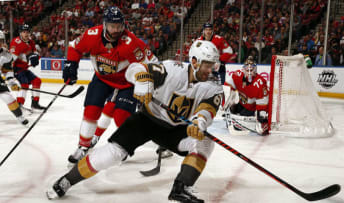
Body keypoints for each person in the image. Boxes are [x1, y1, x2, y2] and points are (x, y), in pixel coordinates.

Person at [46, 40, 222, 203]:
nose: (210, 70)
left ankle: (181, 187)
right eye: (207, 65)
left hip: (176, 130)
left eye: (212, 65)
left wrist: (200, 122)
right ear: (194, 61)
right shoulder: (172, 69)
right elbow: (135, 69)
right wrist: (143, 80)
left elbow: (208, 108)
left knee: (205, 142)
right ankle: (67, 180)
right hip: (146, 120)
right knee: (113, 154)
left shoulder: (213, 85)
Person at [63, 6, 158, 165]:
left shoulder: (131, 42)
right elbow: (74, 47)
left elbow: (152, 63)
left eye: (119, 26)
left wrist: (149, 83)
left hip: (127, 84)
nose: (115, 30)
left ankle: (126, 145)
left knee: (122, 117)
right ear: (105, 24)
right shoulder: (92, 35)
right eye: (112, 26)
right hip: (102, 79)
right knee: (91, 111)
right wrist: (70, 65)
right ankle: (83, 147)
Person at [224, 56, 269, 135]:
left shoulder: (260, 83)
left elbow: (262, 107)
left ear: (255, 70)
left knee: (237, 126)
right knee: (231, 107)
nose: (249, 72)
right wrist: (227, 102)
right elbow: (227, 87)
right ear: (243, 70)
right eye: (247, 70)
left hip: (251, 110)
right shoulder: (237, 75)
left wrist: (261, 119)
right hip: (241, 104)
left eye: (251, 70)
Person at [9, 23, 45, 111]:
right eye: (24, 32)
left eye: (27, 32)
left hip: (24, 69)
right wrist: (29, 57)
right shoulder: (16, 42)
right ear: (20, 33)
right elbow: (12, 58)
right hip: (17, 68)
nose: (26, 34)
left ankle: (35, 104)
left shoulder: (30, 41)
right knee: (24, 84)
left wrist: (35, 57)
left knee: (37, 81)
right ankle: (19, 105)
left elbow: (35, 52)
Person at [0, 30, 29, 125]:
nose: (0, 43)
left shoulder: (6, 54)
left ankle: (20, 117)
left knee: (9, 98)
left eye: (1, 40)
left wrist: (11, 81)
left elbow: (7, 70)